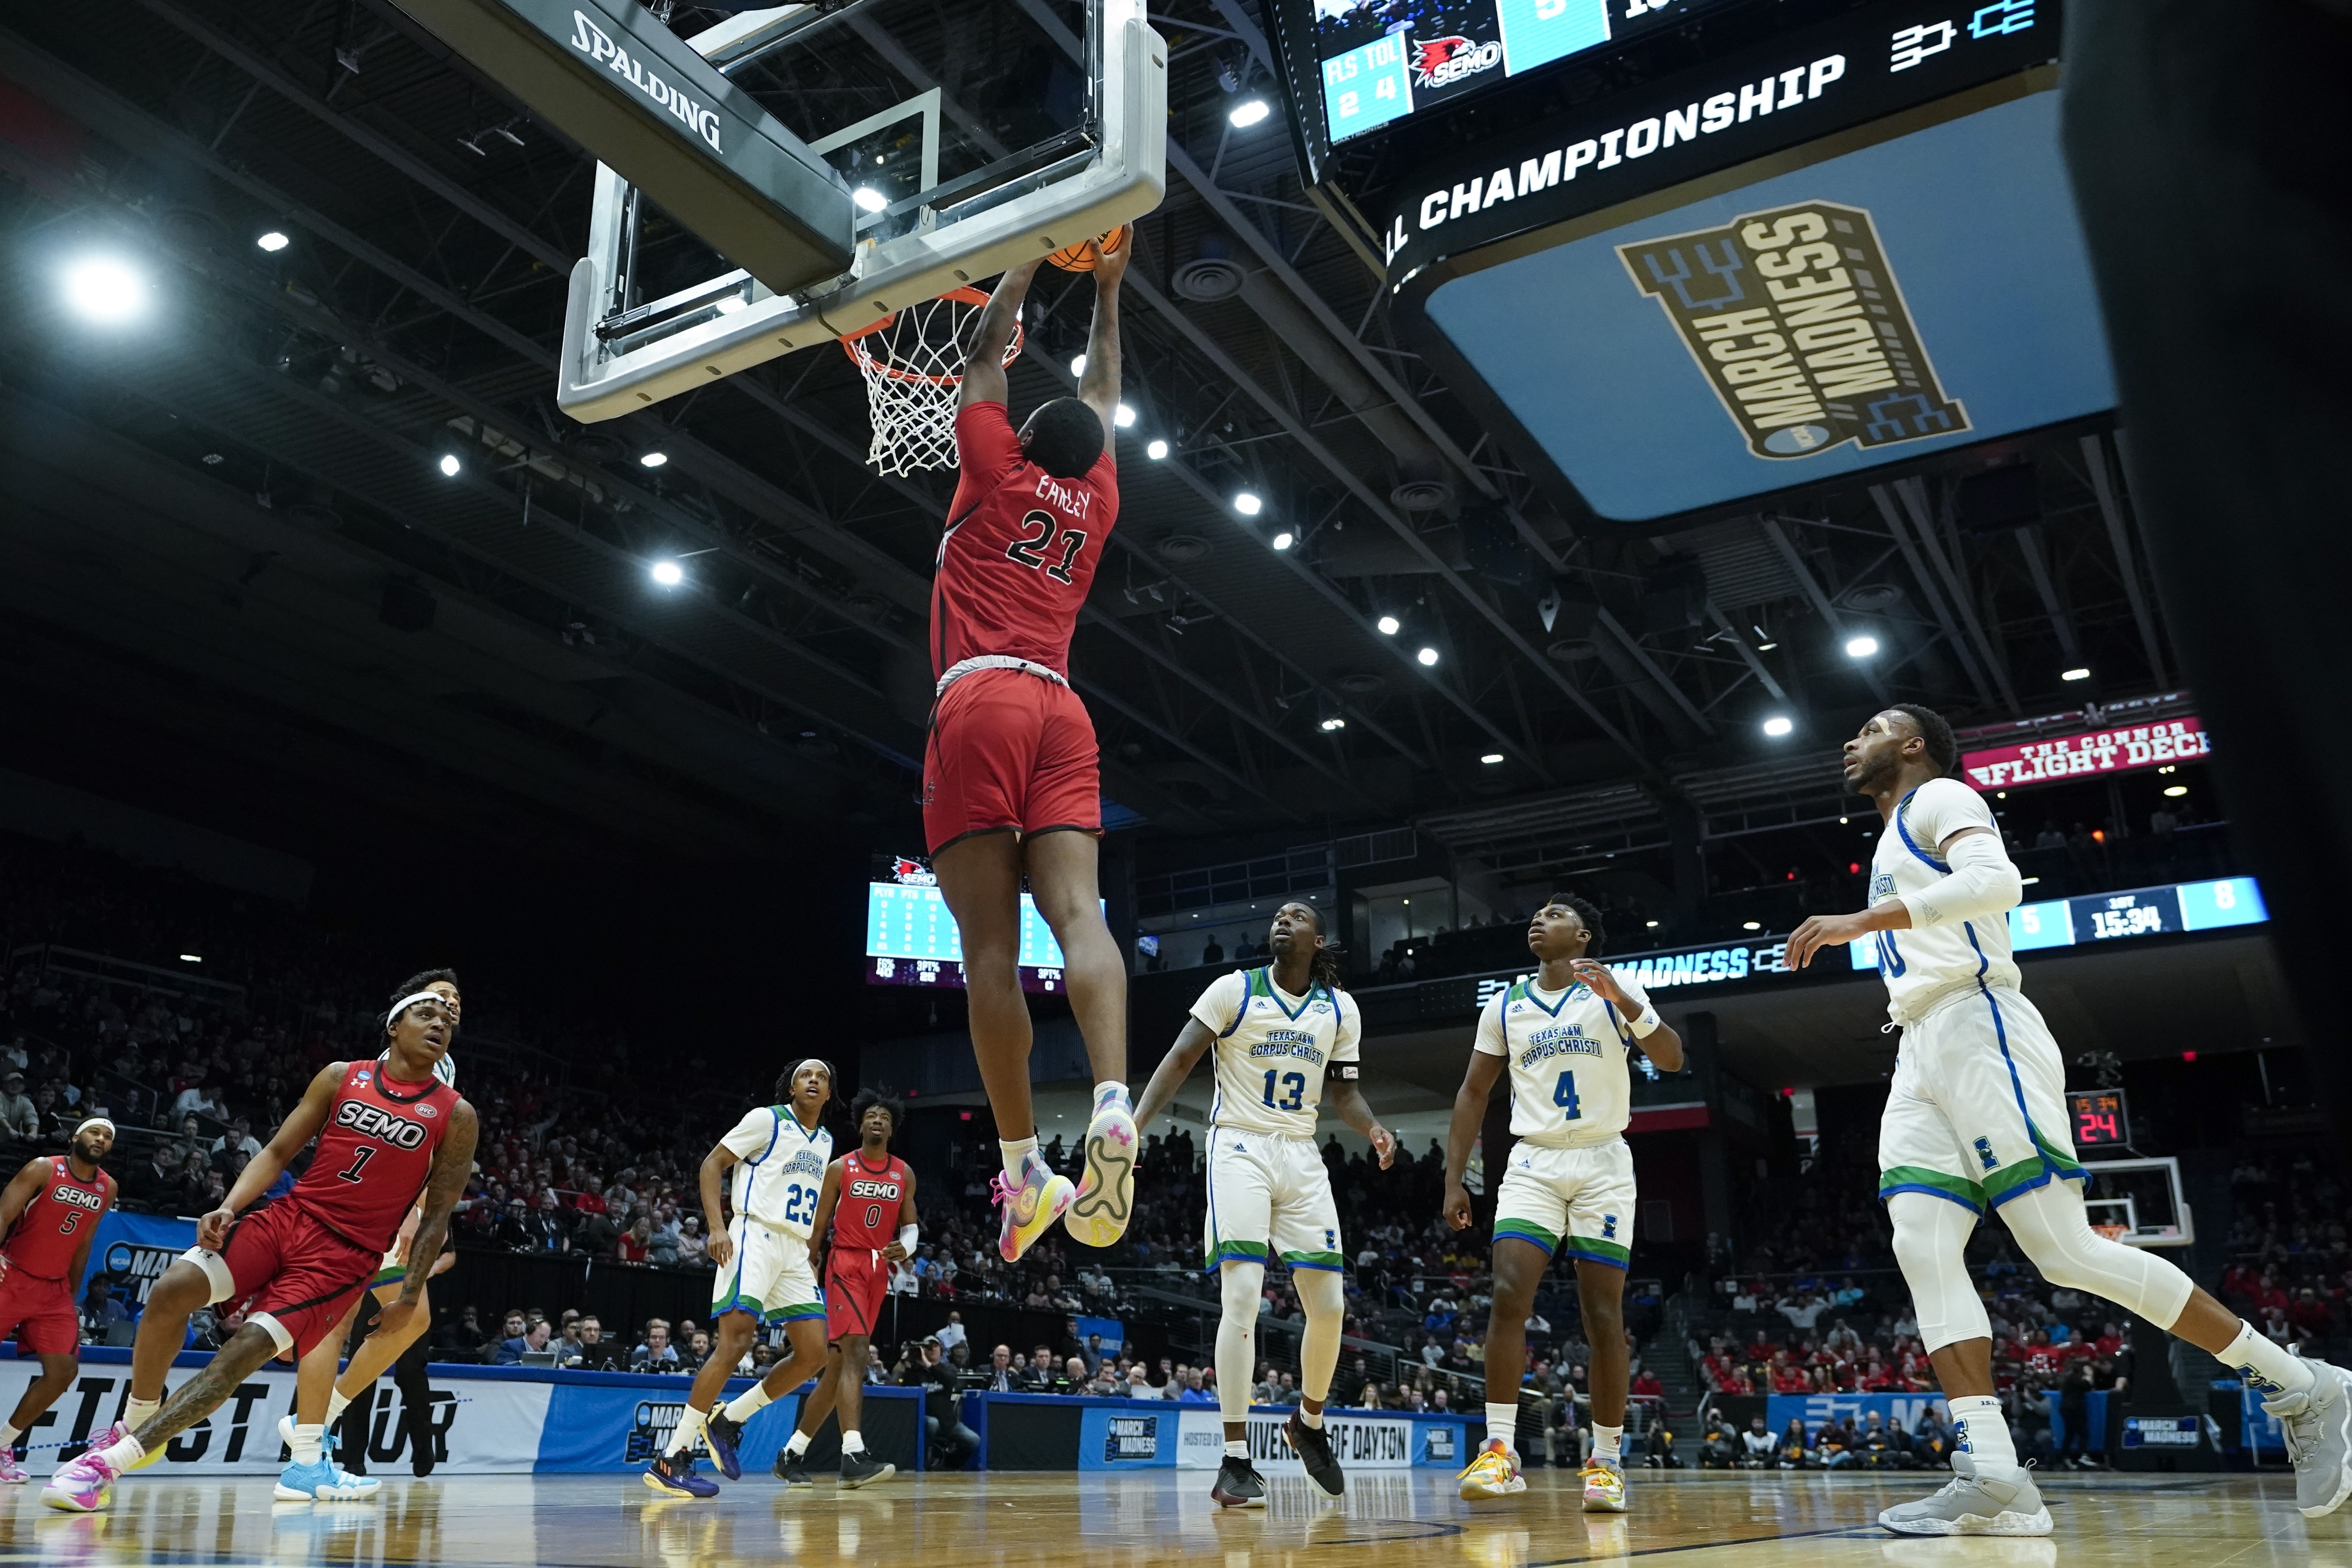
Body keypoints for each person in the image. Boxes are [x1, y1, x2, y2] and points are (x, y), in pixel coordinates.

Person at [1786, 703, 2352, 1533]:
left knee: (2063, 1251)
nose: (1850, 738)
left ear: (1911, 745)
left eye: (1872, 726)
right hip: (1917, 1045)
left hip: (1981, 1027)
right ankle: (1994, 1472)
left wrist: (1863, 921)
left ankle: (2304, 1385)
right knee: (1920, 1241)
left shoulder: (1941, 795)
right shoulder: (1889, 834)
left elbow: (1997, 883)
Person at [44, 983, 473, 1511]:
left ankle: (105, 1465)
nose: (439, 1025)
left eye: (447, 1023)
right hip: (290, 1218)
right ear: (393, 1025)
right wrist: (230, 1204)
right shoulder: (343, 1076)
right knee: (172, 1288)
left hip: (343, 1256)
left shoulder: (456, 1113)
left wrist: (408, 1294)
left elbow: (437, 1215)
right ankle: (139, 1417)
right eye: (427, 1015)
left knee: (243, 1350)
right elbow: (277, 1149)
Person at [927, 239, 1141, 1263]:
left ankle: (1022, 1169)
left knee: (988, 950)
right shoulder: (1094, 501)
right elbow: (1099, 390)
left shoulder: (994, 468)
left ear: (1022, 440)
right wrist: (1107, 289)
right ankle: (1110, 1097)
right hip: (1065, 708)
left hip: (979, 701)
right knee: (1080, 916)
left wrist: (1021, 263)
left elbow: (979, 356)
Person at [1132, 901, 1394, 1507]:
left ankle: (1308, 1424)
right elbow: (1179, 1059)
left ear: (1317, 939)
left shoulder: (1339, 1008)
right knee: (1243, 1297)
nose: (1283, 919)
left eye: (1296, 916)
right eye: (1277, 915)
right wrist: (1136, 1125)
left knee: (1329, 1307)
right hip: (1239, 1147)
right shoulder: (1234, 990)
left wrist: (1373, 1128)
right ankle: (1233, 1459)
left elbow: (1346, 1094)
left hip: (1301, 1155)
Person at [1446, 895, 1682, 1513]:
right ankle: (1500, 1450)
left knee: (1601, 1315)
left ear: (1581, 936)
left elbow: (1672, 1058)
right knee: (1505, 1296)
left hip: (1603, 1163)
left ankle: (1605, 1461)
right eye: (1536, 914)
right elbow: (1473, 1093)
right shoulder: (1504, 1005)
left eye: (1553, 914)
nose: (1537, 919)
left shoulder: (1614, 989)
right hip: (1534, 1162)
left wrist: (1626, 1004)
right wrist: (1454, 1179)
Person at [641, 1061, 837, 1498]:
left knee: (813, 1353)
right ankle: (672, 1457)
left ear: (828, 1095)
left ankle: (729, 1419)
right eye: (806, 1074)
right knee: (735, 1342)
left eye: (822, 1078)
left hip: (794, 1248)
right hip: (754, 1233)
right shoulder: (767, 1119)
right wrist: (717, 1226)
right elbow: (713, 1165)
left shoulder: (825, 1141)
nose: (813, 1080)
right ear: (791, 1085)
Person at [738, 1089, 916, 1490]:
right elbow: (819, 1225)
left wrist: (907, 1246)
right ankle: (853, 1454)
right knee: (856, 1354)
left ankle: (791, 1454)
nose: (877, 1121)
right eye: (870, 1115)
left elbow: (911, 1227)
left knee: (836, 1371)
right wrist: (808, 1263)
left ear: (892, 1128)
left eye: (884, 1117)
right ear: (860, 1124)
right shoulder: (840, 1167)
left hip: (877, 1269)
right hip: (844, 1263)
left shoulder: (903, 1172)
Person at [0, 1118, 117, 1478]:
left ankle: (3, 1445)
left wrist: (72, 1292)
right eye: (95, 1132)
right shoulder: (43, 1168)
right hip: (12, 1275)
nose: (101, 1139)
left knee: (63, 1371)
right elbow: (3, 1213)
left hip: (53, 1291)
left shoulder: (107, 1186)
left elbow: (84, 1242)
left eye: (108, 1136)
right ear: (75, 1137)